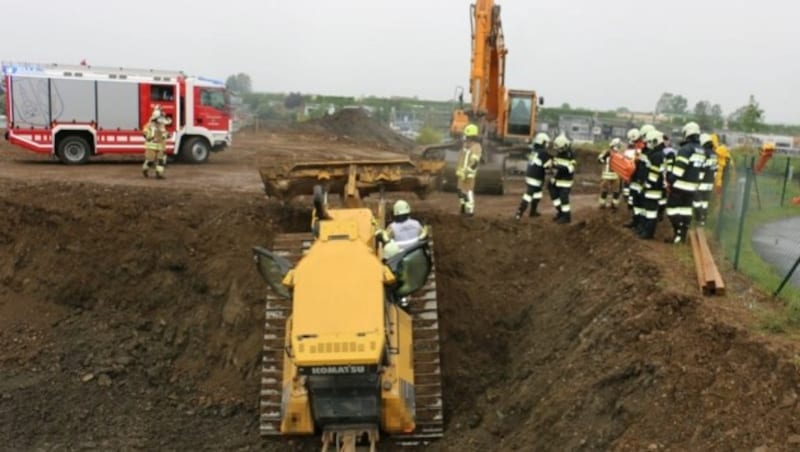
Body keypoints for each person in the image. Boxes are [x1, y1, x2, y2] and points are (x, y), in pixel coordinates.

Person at [665, 121, 706, 244]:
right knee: (686, 210)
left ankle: (677, 233)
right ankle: (682, 236)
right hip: (692, 187)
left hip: (680, 186)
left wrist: (669, 180)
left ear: (687, 133)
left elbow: (678, 170)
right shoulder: (701, 150)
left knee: (672, 209)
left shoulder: (685, 149)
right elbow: (702, 171)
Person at [514, 132, 551, 219]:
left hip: (530, 175)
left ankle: (533, 212)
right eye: (546, 142)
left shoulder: (534, 151)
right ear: (542, 142)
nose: (547, 144)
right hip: (535, 178)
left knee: (537, 194)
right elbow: (547, 166)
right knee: (528, 195)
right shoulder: (543, 153)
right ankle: (519, 213)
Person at [638, 130, 666, 239]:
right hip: (654, 187)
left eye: (650, 142)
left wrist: (647, 185)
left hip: (654, 188)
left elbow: (654, 173)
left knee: (651, 211)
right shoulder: (657, 154)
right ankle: (646, 231)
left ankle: (648, 233)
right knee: (648, 210)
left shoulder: (657, 155)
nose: (648, 145)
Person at [548, 133, 576, 224]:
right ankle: (560, 212)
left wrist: (557, 166)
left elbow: (570, 169)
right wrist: (551, 165)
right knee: (554, 195)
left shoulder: (571, 155)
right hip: (557, 179)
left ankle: (566, 217)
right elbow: (555, 163)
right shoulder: (559, 153)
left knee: (564, 199)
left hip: (565, 181)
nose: (558, 150)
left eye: (559, 149)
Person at [456, 123, 482, 216]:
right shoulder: (465, 145)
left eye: (467, 136)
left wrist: (467, 170)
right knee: (460, 191)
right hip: (462, 173)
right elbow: (461, 158)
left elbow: (475, 163)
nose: (465, 138)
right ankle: (462, 207)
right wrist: (460, 170)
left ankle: (470, 210)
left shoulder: (476, 147)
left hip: (469, 174)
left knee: (468, 191)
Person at [694, 133, 718, 225]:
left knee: (697, 201)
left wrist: (698, 181)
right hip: (710, 182)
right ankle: (703, 220)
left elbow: (702, 168)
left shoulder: (704, 153)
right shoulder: (714, 154)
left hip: (702, 182)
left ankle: (698, 219)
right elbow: (715, 169)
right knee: (705, 202)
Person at [142, 106, 170, 179]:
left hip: (160, 145)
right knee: (150, 161)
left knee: (161, 160)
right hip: (151, 146)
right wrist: (148, 136)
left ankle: (159, 174)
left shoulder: (161, 125)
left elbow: (164, 133)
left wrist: (167, 135)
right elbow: (144, 132)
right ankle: (145, 169)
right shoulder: (149, 125)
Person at [597, 137, 623, 210]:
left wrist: (604, 162)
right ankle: (614, 205)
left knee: (606, 190)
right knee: (615, 191)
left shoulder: (607, 152)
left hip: (608, 175)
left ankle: (603, 204)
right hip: (614, 175)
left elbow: (599, 160)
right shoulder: (618, 153)